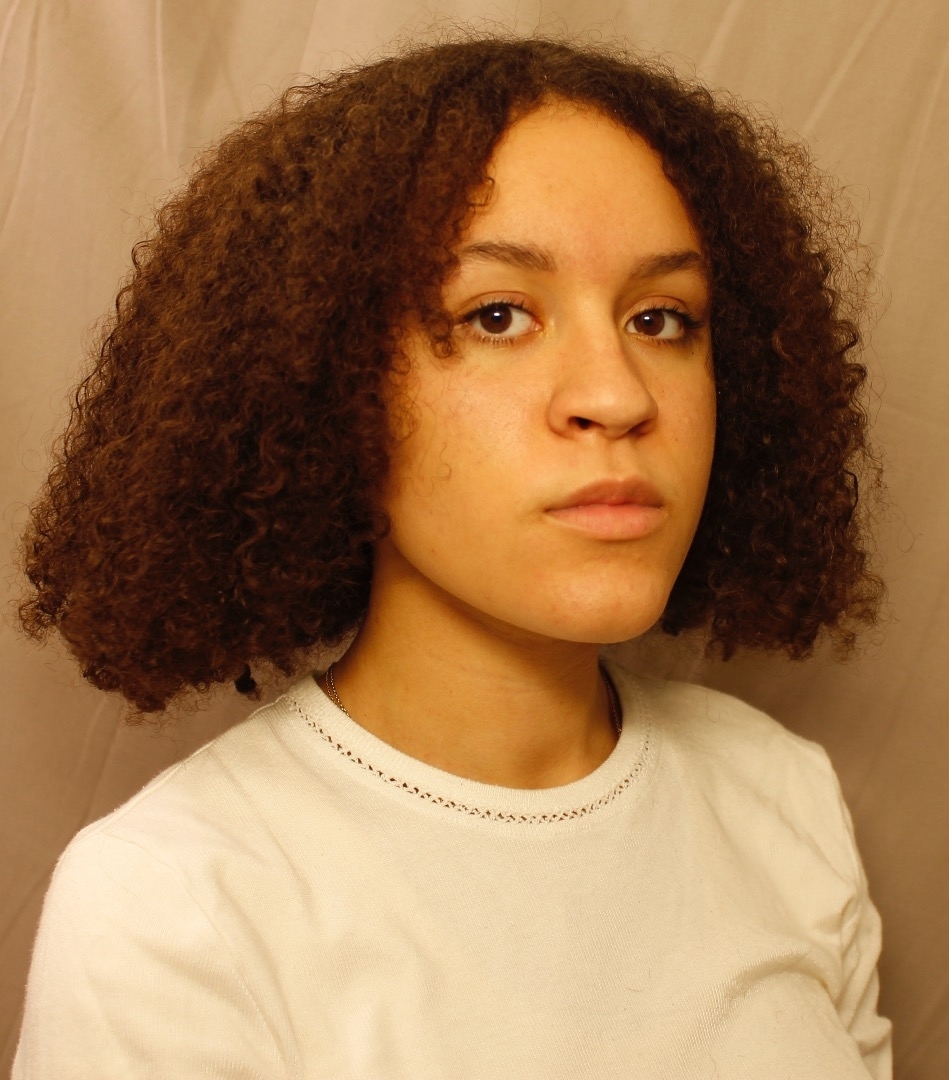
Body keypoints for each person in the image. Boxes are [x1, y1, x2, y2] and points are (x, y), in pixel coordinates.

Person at [14, 34, 890, 1079]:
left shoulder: (781, 796)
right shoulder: (173, 908)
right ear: (327, 382)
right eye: (498, 315)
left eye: (661, 320)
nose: (616, 395)